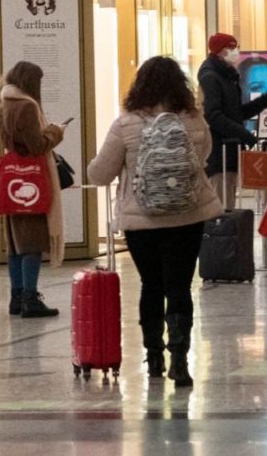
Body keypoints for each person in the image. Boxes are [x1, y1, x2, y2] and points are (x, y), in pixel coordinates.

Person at [87, 56, 222, 387]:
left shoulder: (126, 124)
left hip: (142, 221)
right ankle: (180, 358)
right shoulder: (194, 120)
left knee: (152, 285)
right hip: (187, 217)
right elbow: (203, 157)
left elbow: (100, 174)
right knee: (179, 286)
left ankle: (154, 358)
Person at [0, 61, 66, 318]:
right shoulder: (27, 106)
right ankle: (30, 298)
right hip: (31, 180)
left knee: (15, 242)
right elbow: (36, 146)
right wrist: (56, 132)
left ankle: (16, 296)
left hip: (12, 178)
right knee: (32, 241)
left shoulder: (4, 104)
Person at [197, 33, 267, 209]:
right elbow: (213, 115)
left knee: (228, 202)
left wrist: (260, 103)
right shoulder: (211, 77)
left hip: (230, 151)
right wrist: (244, 134)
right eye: (231, 48)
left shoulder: (228, 76)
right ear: (220, 52)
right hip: (219, 153)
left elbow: (234, 114)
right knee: (222, 207)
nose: (236, 52)